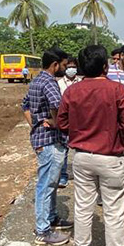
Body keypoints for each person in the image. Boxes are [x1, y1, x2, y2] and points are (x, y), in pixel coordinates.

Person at [57, 45, 124, 246]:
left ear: (80, 67)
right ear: (105, 66)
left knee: (83, 207)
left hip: (82, 156)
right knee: (114, 211)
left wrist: (79, 132)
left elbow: (62, 122)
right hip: (111, 156)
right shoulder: (116, 90)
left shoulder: (72, 91)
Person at [20, 50, 73, 245]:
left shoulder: (35, 81)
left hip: (41, 139)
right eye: (65, 65)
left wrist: (34, 123)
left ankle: (51, 218)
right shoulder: (49, 82)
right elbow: (58, 106)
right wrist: (57, 123)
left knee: (50, 182)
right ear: (55, 64)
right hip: (49, 140)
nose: (66, 68)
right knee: (46, 184)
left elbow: (24, 105)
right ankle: (43, 230)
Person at [57, 60, 81, 188]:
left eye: (74, 67)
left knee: (81, 149)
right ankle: (63, 176)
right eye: (69, 67)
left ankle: (81, 175)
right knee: (64, 150)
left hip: (79, 120)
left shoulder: (81, 83)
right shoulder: (59, 83)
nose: (71, 69)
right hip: (65, 120)